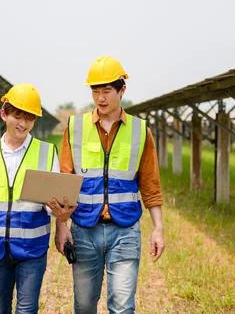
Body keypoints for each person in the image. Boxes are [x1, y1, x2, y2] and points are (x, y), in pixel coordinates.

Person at [55, 56, 165, 314]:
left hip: (125, 230)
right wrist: (61, 226)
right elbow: (64, 179)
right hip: (84, 229)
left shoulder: (140, 131)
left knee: (123, 307)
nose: (100, 98)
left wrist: (158, 228)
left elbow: (150, 184)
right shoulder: (75, 127)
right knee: (83, 305)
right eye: (95, 91)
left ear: (122, 90)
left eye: (106, 91)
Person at [0, 83, 75, 314]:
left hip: (32, 251)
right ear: (4, 114)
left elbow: (53, 204)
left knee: (27, 310)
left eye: (29, 118)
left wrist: (61, 215)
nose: (23, 123)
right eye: (18, 116)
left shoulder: (47, 153)